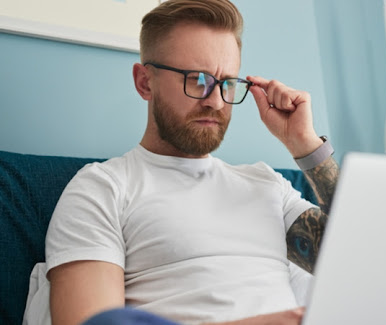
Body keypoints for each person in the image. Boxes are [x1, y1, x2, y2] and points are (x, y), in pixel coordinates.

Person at [44, 0, 339, 324]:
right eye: (197, 79)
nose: (215, 101)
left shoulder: (266, 184)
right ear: (145, 82)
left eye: (227, 83)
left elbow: (355, 258)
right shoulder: (102, 188)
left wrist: (306, 146)